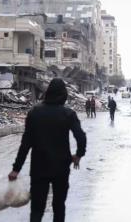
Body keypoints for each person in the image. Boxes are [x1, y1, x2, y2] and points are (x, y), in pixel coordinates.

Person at [8, 78, 87, 222]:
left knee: (37, 209)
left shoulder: (34, 113)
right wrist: (78, 155)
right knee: (59, 207)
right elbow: (81, 137)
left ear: (48, 93)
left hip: (39, 168)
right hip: (61, 168)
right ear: (64, 95)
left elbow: (26, 143)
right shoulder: (68, 114)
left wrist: (16, 169)